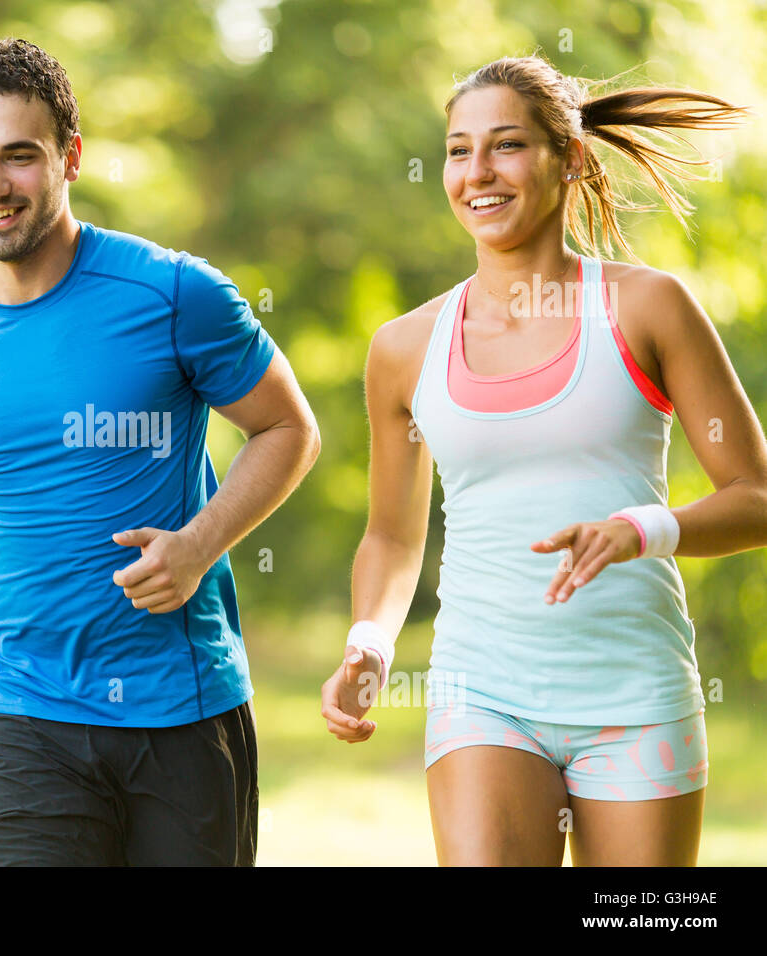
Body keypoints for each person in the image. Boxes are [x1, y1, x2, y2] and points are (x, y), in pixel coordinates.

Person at [0, 38, 320, 866]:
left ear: (70, 157)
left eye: (19, 156)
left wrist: (199, 546)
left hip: (181, 712)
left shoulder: (175, 294)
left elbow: (290, 429)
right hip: (19, 717)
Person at [320, 54, 766, 865]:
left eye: (507, 145)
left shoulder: (648, 307)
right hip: (482, 691)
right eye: (458, 150)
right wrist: (370, 641)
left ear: (572, 159)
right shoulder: (404, 348)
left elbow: (756, 496)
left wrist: (641, 530)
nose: (477, 173)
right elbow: (391, 535)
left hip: (636, 692)